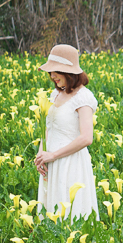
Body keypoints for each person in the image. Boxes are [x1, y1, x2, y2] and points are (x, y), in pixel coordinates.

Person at [34, 44, 99, 223]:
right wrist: (41, 154)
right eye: (50, 72)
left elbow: (86, 138)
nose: (52, 76)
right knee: (52, 215)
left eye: (56, 71)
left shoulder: (83, 98)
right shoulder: (55, 95)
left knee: (72, 214)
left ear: (70, 73)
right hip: (51, 162)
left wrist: (53, 155)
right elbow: (48, 127)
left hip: (71, 164)